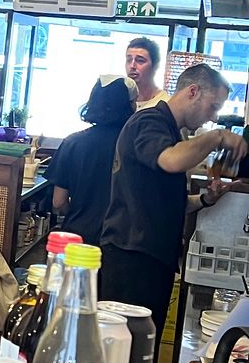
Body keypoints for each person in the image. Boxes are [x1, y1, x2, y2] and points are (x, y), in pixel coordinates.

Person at [100, 64, 249, 347]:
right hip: (132, 258)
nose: (213, 116)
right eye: (213, 106)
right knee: (125, 353)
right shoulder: (149, 121)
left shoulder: (170, 132)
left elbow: (169, 203)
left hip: (151, 258)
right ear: (193, 91)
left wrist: (206, 200)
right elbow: (170, 160)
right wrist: (217, 136)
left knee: (143, 352)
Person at [45, 75, 137, 246]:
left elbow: (58, 201)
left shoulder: (72, 143)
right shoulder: (135, 145)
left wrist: (78, 214)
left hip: (77, 238)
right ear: (129, 106)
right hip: (120, 241)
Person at [126, 37, 169, 111]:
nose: (132, 66)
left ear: (155, 66)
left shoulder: (164, 104)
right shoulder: (119, 98)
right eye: (129, 60)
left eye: (140, 60)